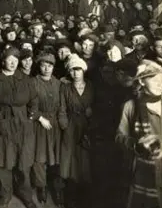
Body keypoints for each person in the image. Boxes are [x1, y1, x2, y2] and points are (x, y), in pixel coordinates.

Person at [0, 47, 38, 208]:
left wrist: (30, 118)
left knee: (24, 161)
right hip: (3, 122)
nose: (12, 63)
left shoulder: (25, 78)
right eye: (9, 60)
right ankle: (5, 194)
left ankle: (25, 194)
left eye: (15, 61)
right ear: (3, 61)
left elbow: (34, 100)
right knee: (4, 161)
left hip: (23, 123)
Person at [116, 59, 162, 208]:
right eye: (154, 79)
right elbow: (119, 136)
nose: (160, 83)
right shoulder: (130, 106)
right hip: (141, 172)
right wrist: (136, 144)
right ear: (142, 82)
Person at [58, 54, 94, 208]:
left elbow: (98, 106)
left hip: (88, 126)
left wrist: (91, 116)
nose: (75, 73)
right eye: (72, 70)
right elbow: (62, 109)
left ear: (83, 70)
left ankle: (85, 199)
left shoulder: (91, 86)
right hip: (71, 127)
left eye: (78, 69)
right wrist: (65, 126)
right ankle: (69, 199)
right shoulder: (65, 88)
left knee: (85, 162)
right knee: (70, 161)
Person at [31, 53, 64, 206]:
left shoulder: (58, 83)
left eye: (50, 66)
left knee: (56, 157)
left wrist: (61, 122)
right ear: (39, 66)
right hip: (39, 125)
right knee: (40, 158)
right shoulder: (33, 82)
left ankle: (56, 189)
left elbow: (62, 105)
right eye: (43, 65)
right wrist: (39, 118)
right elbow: (29, 105)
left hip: (55, 124)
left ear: (53, 67)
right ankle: (41, 187)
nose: (46, 69)